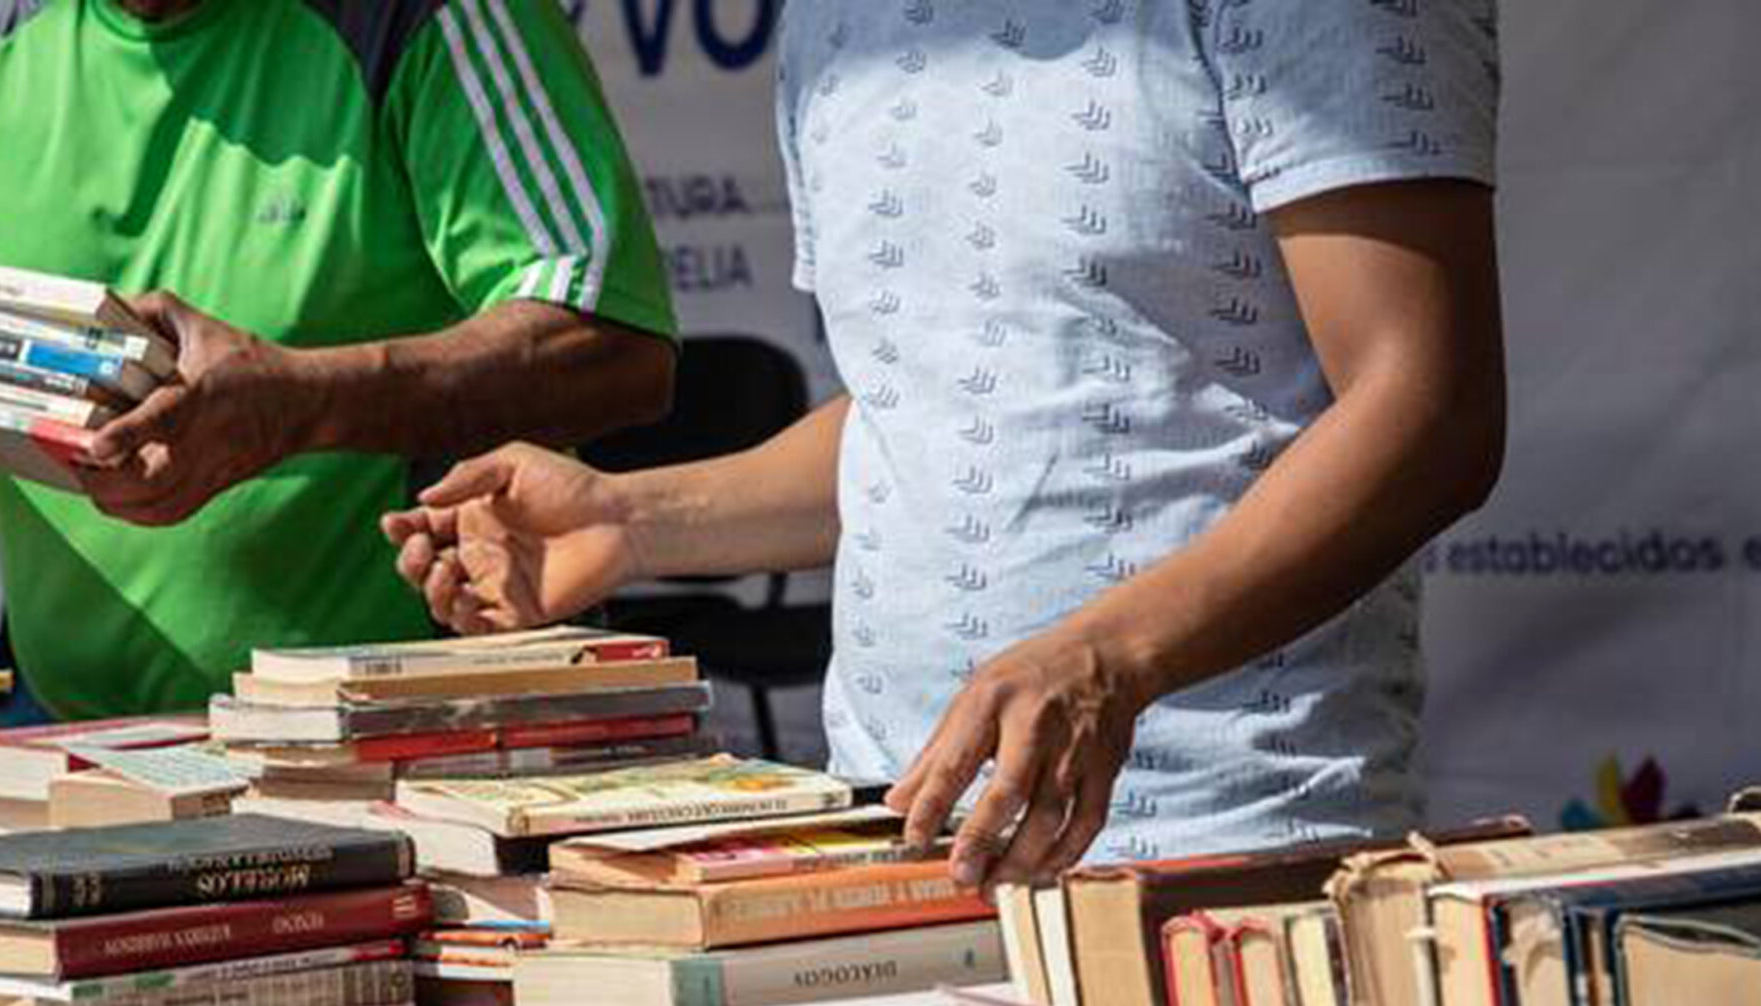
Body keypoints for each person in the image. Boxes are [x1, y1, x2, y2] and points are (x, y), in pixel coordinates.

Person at [389, 1, 1507, 889]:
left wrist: (1110, 658)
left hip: (1224, 842)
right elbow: (924, 413)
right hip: (890, 841)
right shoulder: (834, 24)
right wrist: (628, 521)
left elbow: (1427, 411)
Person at [0, 0, 675, 720]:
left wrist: (305, 402)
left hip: (413, 736)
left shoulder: (432, 14)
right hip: (60, 731)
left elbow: (611, 341)